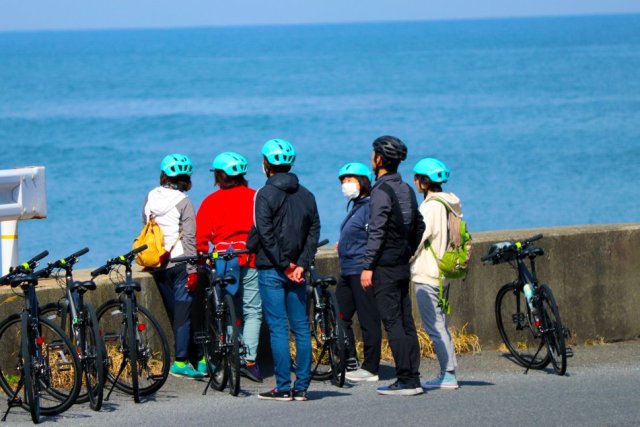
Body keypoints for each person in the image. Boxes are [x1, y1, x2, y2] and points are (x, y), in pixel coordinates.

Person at [249, 139, 320, 402]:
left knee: (278, 328)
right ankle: (301, 387)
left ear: (266, 164)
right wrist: (301, 263)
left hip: (272, 269)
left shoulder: (264, 194)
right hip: (298, 271)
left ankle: (282, 386)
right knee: (301, 328)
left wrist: (284, 264)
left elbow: (264, 234)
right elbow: (314, 231)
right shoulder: (307, 195)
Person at [360, 136, 425, 396]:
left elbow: (377, 231)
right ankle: (414, 376)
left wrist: (368, 266)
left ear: (379, 159)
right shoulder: (406, 188)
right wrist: (407, 250)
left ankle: (405, 379)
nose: (371, 159)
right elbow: (419, 225)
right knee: (406, 322)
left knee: (393, 322)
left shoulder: (380, 191)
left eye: (373, 155)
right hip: (401, 264)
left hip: (385, 266)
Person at [195, 151, 263, 382]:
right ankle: (250, 360)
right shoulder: (256, 197)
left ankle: (233, 355)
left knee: (229, 313)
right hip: (252, 259)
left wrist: (204, 257)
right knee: (253, 311)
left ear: (219, 176)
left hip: (224, 262)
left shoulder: (210, 202)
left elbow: (201, 240)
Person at [144, 153, 204, 379]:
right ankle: (180, 361)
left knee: (175, 312)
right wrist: (192, 270)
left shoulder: (150, 197)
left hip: (158, 263)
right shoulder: (184, 202)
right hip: (180, 263)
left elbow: (147, 228)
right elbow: (190, 239)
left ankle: (190, 358)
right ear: (184, 179)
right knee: (184, 314)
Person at [411, 158, 461, 389]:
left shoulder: (429, 207)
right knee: (441, 322)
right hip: (444, 272)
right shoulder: (451, 203)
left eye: (417, 178)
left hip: (427, 272)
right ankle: (447, 371)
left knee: (434, 325)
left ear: (423, 181)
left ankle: (448, 373)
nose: (415, 182)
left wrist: (404, 259)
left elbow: (417, 240)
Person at [334, 162, 382, 383]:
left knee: (368, 319)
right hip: (348, 270)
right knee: (340, 316)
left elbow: (374, 237)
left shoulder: (370, 206)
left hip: (361, 271)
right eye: (343, 180)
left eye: (350, 179)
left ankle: (371, 367)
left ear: (362, 182)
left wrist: (368, 268)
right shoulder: (356, 206)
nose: (345, 184)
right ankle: (350, 359)